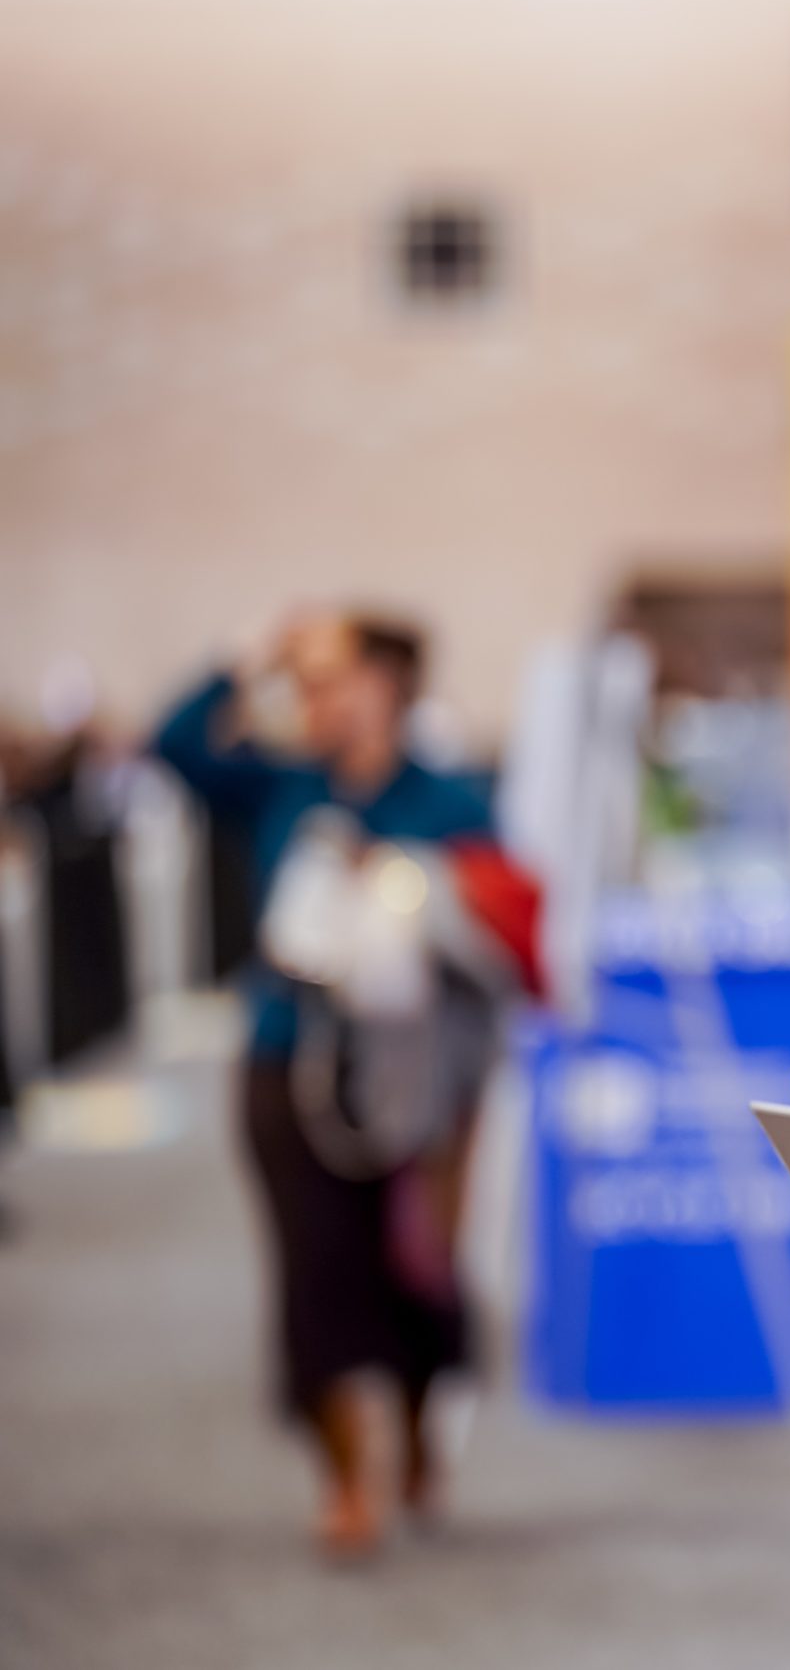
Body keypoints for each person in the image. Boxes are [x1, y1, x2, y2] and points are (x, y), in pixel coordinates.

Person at [154, 613, 537, 1558]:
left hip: (413, 1073)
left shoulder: (450, 797)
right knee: (313, 1275)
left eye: (333, 677)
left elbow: (503, 924)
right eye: (307, 681)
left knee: (412, 1272)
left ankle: (414, 1433)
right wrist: (246, 658)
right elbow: (172, 747)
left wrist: (417, 883)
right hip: (289, 1057)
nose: (314, 697)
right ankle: (342, 1477)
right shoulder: (283, 785)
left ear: (387, 682)